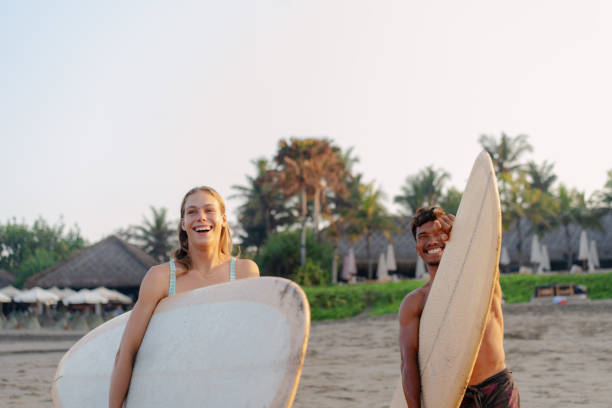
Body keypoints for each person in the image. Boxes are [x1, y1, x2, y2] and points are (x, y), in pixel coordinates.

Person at [109, 186, 260, 408]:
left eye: (209, 210)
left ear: (223, 219)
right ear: (183, 224)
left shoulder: (245, 272)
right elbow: (126, 352)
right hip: (172, 394)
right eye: (192, 212)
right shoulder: (160, 278)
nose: (201, 217)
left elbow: (255, 347)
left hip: (226, 394)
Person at [398, 206, 519, 408]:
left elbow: (488, 247)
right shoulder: (415, 303)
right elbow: (408, 363)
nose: (432, 241)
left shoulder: (481, 275)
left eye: (439, 234)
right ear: (418, 248)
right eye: (423, 236)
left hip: (497, 388)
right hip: (453, 397)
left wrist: (464, 236)